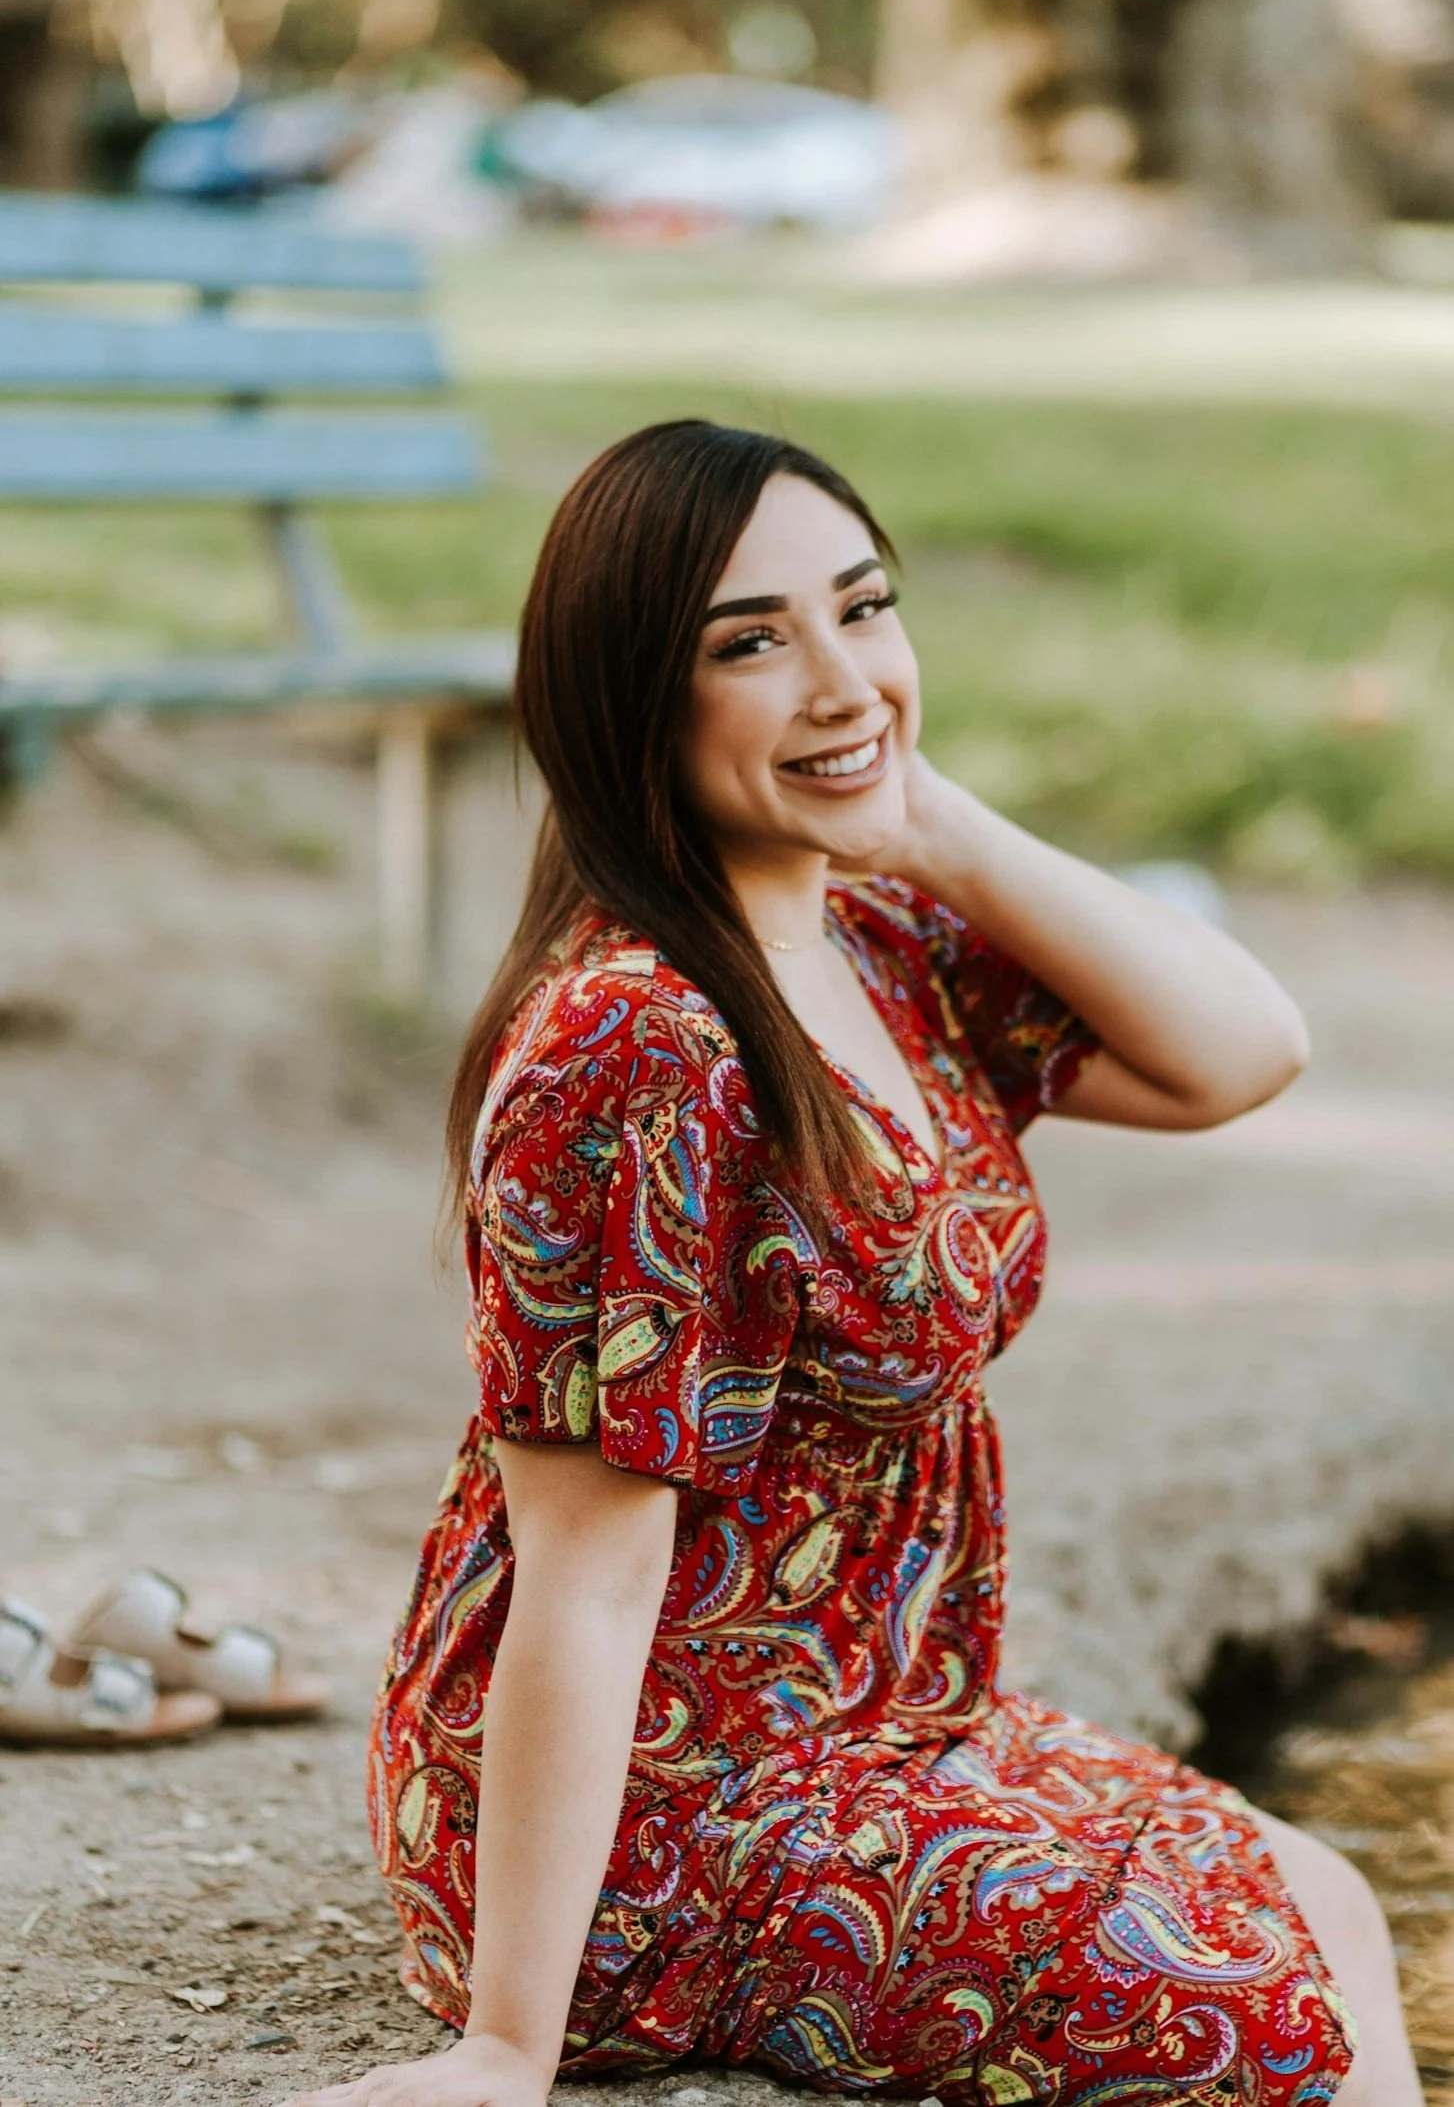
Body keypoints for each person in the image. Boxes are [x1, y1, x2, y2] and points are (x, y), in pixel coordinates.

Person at [284, 422, 1420, 2107]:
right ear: (629, 702)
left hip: (882, 1720)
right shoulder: (639, 1050)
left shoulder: (870, 940)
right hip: (668, 1816)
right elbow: (583, 1574)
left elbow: (1236, 1052)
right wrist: (506, 2051)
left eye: (863, 610)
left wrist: (925, 816)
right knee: (1244, 2005)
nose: (837, 677)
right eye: (750, 642)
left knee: (1326, 1902)